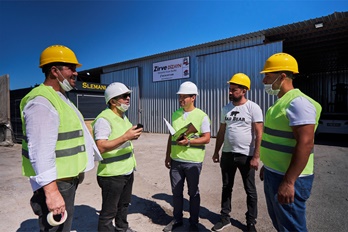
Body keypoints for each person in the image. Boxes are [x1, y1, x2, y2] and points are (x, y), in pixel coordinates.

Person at [20, 44, 102, 231]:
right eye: (71, 68)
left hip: (66, 180)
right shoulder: (41, 101)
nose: (75, 73)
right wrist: (51, 192)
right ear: (54, 71)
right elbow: (40, 151)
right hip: (57, 183)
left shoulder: (61, 97)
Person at [259, 53, 322, 232]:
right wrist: (268, 164)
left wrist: (288, 182)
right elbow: (277, 140)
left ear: (283, 76)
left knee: (292, 228)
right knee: (280, 224)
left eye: (268, 76)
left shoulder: (298, 103)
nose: (264, 81)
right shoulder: (281, 102)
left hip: (288, 177)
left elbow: (306, 143)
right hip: (275, 172)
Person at [211, 73, 263, 232]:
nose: (230, 92)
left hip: (246, 156)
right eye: (230, 89)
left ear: (244, 90)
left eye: (234, 90)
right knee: (226, 187)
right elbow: (221, 132)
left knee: (250, 190)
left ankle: (251, 222)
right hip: (227, 154)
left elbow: (259, 133)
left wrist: (256, 156)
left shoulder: (253, 108)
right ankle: (225, 218)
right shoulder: (226, 108)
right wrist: (216, 151)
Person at [92, 82, 143, 232]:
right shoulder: (104, 119)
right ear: (112, 101)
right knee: (109, 212)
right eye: (124, 96)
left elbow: (122, 140)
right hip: (111, 174)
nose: (128, 98)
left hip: (126, 170)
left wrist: (131, 137)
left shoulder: (122, 117)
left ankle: (122, 228)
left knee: (124, 205)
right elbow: (101, 146)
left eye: (129, 96)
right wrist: (125, 137)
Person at [164, 81, 211, 232]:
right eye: (180, 97)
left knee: (193, 193)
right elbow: (171, 137)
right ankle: (177, 219)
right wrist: (168, 155)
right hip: (176, 161)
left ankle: (193, 222)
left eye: (184, 97)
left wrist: (189, 141)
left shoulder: (202, 116)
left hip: (193, 162)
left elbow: (207, 138)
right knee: (176, 193)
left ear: (193, 98)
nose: (181, 100)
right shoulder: (175, 114)